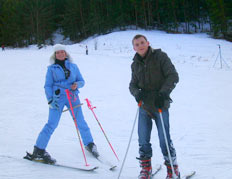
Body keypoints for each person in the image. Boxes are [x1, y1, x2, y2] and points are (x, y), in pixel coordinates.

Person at [29, 44, 99, 164]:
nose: (60, 54)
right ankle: (38, 150)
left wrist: (77, 84)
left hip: (72, 96)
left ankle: (89, 144)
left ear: (66, 53)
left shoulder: (74, 66)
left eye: (62, 52)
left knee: (80, 121)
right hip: (57, 98)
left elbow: (82, 80)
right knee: (52, 123)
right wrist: (50, 99)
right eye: (58, 52)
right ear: (55, 55)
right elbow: (47, 85)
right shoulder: (51, 69)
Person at [129, 34, 180, 179]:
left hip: (159, 104)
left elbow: (173, 76)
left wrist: (163, 94)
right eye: (137, 44)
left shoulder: (160, 56)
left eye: (142, 42)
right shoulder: (135, 64)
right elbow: (132, 84)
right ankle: (146, 169)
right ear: (134, 47)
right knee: (143, 138)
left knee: (164, 138)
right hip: (144, 105)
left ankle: (173, 169)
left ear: (147, 43)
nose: (140, 46)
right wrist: (136, 93)